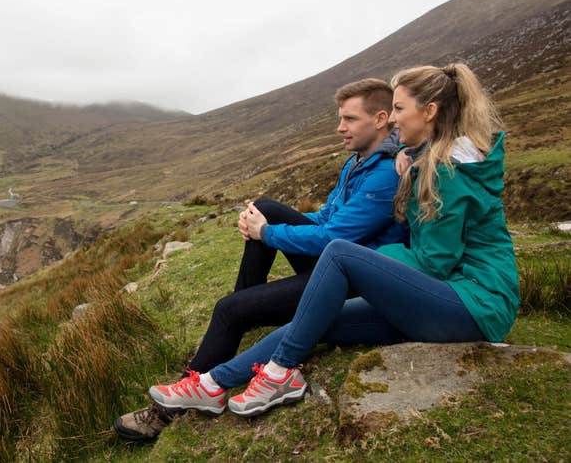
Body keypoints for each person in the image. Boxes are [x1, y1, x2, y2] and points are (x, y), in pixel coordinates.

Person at [147, 63, 520, 419]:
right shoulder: (421, 162)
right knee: (310, 321)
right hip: (438, 301)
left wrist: (369, 263)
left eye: (399, 108)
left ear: (429, 111)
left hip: (474, 305)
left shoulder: (448, 172)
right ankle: (210, 385)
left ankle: (279, 374)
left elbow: (434, 262)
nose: (392, 118)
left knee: (341, 253)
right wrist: (411, 160)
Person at [114, 78, 408, 440]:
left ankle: (170, 410)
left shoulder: (384, 175)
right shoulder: (358, 163)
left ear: (380, 119)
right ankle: (243, 312)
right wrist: (263, 224)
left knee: (229, 308)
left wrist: (266, 233)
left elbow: (334, 238)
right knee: (265, 210)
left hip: (352, 283)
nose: (339, 127)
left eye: (349, 119)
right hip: (335, 267)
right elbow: (328, 217)